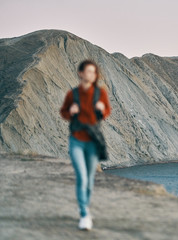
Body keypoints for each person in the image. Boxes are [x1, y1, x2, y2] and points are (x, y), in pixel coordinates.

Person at [59, 59, 111, 230]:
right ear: (81, 73)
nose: (91, 75)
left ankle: (85, 206)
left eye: (94, 72)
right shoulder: (72, 94)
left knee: (89, 180)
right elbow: (63, 112)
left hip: (93, 142)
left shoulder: (100, 93)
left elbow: (106, 113)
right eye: (88, 71)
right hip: (76, 140)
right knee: (81, 177)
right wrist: (70, 112)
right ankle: (84, 214)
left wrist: (102, 109)